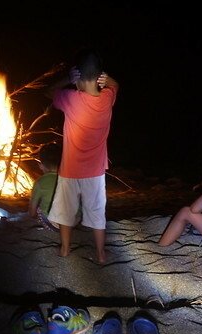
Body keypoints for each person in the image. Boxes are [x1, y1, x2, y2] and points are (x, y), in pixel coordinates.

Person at [45, 48, 119, 264]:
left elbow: (48, 92)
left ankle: (65, 249)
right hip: (95, 173)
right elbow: (116, 85)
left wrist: (66, 79)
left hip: (70, 170)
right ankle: (101, 254)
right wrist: (108, 79)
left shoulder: (70, 98)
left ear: (77, 78)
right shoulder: (106, 99)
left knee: (65, 212)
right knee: (97, 214)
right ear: (99, 78)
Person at [28, 142, 62, 232]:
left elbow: (32, 213)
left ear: (41, 165)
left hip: (55, 225)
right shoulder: (70, 178)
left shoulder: (40, 182)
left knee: (38, 208)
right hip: (73, 222)